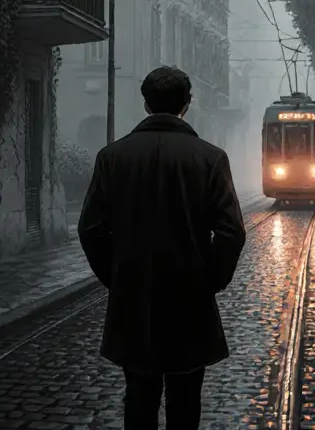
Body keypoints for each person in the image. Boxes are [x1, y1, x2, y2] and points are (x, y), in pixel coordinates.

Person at [78, 66, 247, 429]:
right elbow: (231, 232)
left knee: (138, 398)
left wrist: (118, 277)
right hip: (190, 300)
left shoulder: (112, 157)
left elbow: (90, 230)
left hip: (134, 300)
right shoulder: (210, 158)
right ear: (187, 104)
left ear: (145, 104)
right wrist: (210, 280)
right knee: (186, 401)